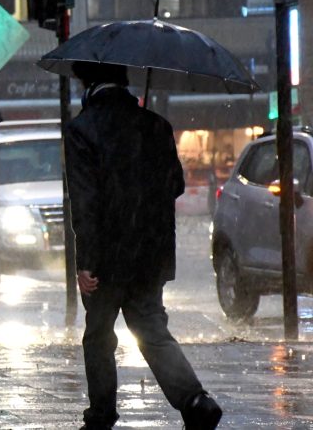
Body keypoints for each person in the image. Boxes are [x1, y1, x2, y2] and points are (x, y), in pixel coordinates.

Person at [64, 63, 223, 430]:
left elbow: (85, 201)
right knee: (151, 329)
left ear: (88, 85)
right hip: (149, 253)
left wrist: (85, 260)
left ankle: (101, 413)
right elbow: (176, 186)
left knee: (99, 335)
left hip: (106, 256)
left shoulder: (81, 130)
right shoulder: (156, 125)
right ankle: (196, 401)